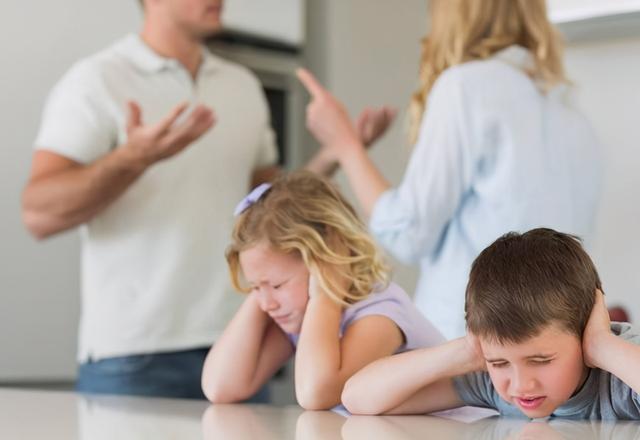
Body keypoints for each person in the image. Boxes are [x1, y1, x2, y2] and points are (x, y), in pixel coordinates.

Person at [20, 0, 393, 399]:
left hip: (239, 342)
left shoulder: (241, 86)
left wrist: (339, 150)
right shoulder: (98, 80)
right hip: (135, 354)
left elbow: (269, 208)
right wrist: (134, 158)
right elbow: (38, 213)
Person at [296, 0, 603, 339]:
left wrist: (346, 146)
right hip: (551, 345)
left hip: (471, 342)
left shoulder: (465, 87)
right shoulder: (569, 110)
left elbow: (408, 232)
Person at [201, 171, 444, 410]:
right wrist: (263, 285)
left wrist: (324, 296)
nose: (266, 304)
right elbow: (220, 387)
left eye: (277, 285)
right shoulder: (301, 314)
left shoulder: (380, 313)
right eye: (255, 288)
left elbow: (316, 393)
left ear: (329, 259)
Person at [342, 228, 640, 420]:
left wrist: (602, 346)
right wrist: (466, 352)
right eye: (499, 363)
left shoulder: (619, 374)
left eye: (540, 360)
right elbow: (358, 398)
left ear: (586, 326)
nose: (521, 385)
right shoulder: (490, 381)